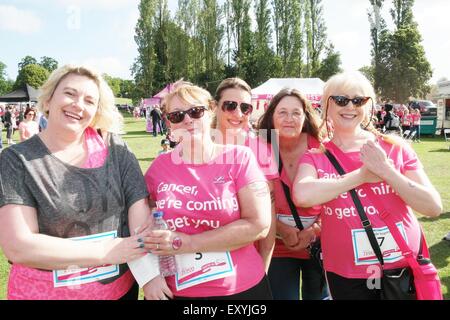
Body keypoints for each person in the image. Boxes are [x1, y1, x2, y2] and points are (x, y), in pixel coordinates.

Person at [0, 65, 154, 300]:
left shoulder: (115, 148)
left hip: (120, 292)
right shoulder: (17, 160)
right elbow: (19, 246)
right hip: (45, 295)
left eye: (90, 101)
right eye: (70, 94)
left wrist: (149, 275)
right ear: (49, 99)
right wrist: (107, 251)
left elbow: (140, 218)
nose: (78, 105)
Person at [293, 71, 442, 300]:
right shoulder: (315, 156)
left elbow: (432, 207)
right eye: (341, 100)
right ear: (326, 105)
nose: (350, 106)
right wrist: (361, 176)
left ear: (368, 105)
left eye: (358, 100)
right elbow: (303, 195)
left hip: (401, 267)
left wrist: (387, 172)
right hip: (345, 272)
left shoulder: (394, 147)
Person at [143, 83, 273, 300]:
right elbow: (140, 227)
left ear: (211, 110)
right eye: (177, 116)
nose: (187, 120)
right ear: (168, 123)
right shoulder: (158, 168)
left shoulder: (240, 158)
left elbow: (259, 225)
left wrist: (189, 243)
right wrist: (149, 277)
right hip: (176, 291)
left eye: (196, 111)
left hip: (239, 289)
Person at [258, 88, 328, 300]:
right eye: (282, 112)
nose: (289, 119)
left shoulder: (320, 146)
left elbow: (339, 196)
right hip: (276, 245)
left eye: (296, 113)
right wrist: (280, 228)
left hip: (319, 243)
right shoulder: (260, 147)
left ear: (305, 116)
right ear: (271, 116)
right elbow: (248, 200)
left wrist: (314, 231)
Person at [212, 77, 279, 273]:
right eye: (230, 105)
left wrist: (263, 265)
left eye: (245, 108)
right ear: (216, 106)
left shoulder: (260, 148)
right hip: (202, 257)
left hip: (246, 258)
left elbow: (269, 214)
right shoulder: (197, 146)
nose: (238, 113)